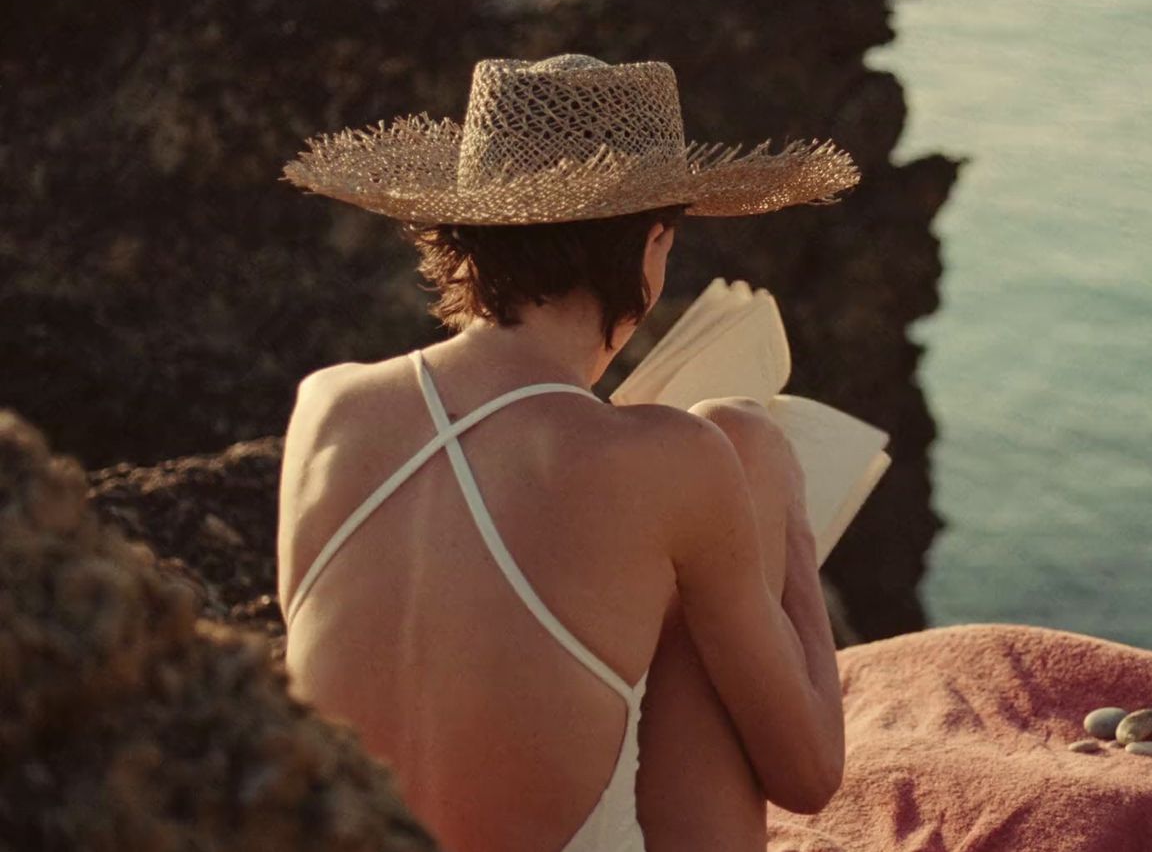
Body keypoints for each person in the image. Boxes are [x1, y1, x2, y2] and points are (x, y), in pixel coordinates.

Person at [275, 54, 861, 852]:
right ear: (653, 243)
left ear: (462, 228)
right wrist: (788, 516)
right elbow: (811, 775)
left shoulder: (328, 404)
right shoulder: (673, 460)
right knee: (742, 436)